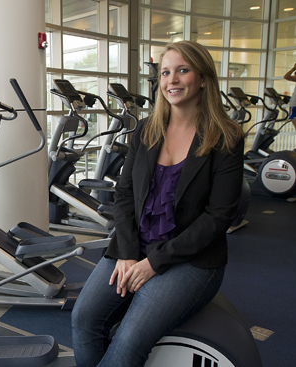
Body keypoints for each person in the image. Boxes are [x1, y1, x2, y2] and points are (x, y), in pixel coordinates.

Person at [71, 41, 245, 367]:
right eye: (166, 72)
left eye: (183, 70)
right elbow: (124, 195)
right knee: (84, 318)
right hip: (133, 247)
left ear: (204, 79)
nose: (172, 80)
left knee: (129, 340)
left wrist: (152, 263)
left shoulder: (226, 137)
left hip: (190, 260)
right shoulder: (146, 130)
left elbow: (218, 217)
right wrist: (126, 252)